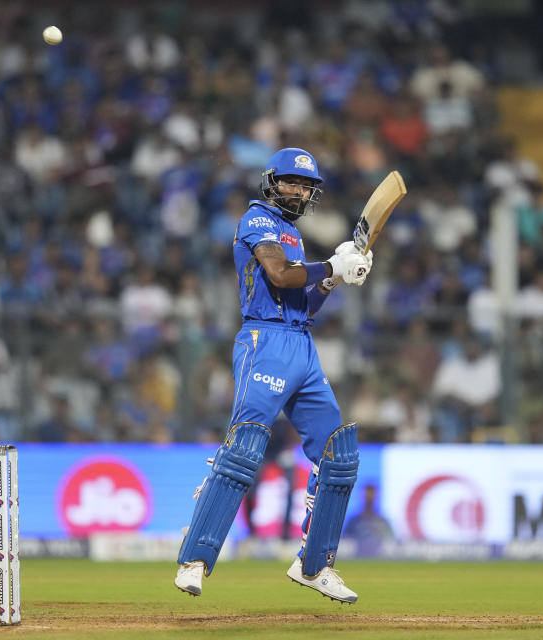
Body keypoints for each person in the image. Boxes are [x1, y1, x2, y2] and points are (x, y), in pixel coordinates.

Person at [173, 148, 372, 603]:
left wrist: (336, 278)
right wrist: (331, 266)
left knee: (338, 455)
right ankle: (196, 558)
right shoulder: (258, 220)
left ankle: (314, 565)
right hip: (264, 343)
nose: (299, 192)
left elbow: (305, 303)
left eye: (306, 187)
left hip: (301, 344)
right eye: (291, 183)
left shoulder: (293, 235)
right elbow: (281, 278)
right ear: (271, 183)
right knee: (245, 448)